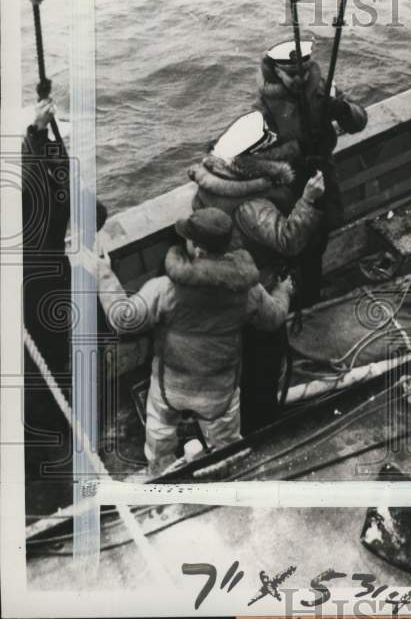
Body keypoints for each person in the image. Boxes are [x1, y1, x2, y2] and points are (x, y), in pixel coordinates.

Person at [93, 208, 292, 476]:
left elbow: (122, 319)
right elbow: (275, 318)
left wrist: (103, 273)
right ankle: (233, 479)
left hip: (170, 389)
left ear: (196, 248)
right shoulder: (248, 291)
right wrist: (284, 290)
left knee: (160, 441)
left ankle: (163, 476)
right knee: (227, 446)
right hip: (219, 392)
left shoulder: (165, 289)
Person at [188, 111, 325, 432]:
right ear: (253, 158)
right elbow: (288, 240)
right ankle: (259, 427)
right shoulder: (251, 205)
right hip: (253, 290)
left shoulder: (208, 186)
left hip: (216, 286)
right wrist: (308, 200)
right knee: (262, 363)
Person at [252, 39, 368, 305]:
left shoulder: (322, 88)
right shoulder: (263, 108)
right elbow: (251, 159)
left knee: (318, 242)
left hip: (322, 178)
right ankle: (297, 297)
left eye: (304, 71)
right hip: (287, 188)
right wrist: (296, 149)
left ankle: (311, 295)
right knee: (293, 249)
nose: (300, 79)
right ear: (276, 72)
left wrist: (344, 111)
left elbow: (360, 120)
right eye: (291, 74)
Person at [20, 99, 73, 510]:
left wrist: (34, 135)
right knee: (55, 364)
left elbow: (30, 182)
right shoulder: (59, 195)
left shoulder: (32, 205)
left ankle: (40, 461)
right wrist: (40, 135)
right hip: (53, 281)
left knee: (35, 374)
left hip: (30, 288)